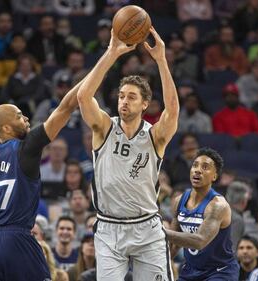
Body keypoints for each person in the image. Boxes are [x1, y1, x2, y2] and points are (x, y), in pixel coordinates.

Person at [0, 71, 86, 280]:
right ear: (6, 127)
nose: (25, 118)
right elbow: (66, 107)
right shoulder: (26, 147)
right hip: (15, 238)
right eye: (19, 116)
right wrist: (104, 61)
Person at [77, 25, 179, 280]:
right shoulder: (104, 128)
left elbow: (173, 110)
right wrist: (111, 53)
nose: (124, 101)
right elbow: (83, 96)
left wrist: (161, 60)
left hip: (147, 226)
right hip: (109, 227)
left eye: (131, 97)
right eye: (122, 96)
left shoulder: (155, 135)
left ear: (145, 104)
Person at [165, 148, 240, 280]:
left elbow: (199, 241)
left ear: (214, 176)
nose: (197, 170)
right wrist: (163, 263)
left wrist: (158, 231)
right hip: (191, 269)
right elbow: (174, 243)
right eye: (195, 165)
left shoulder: (218, 206)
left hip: (219, 271)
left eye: (205, 167)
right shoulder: (179, 200)